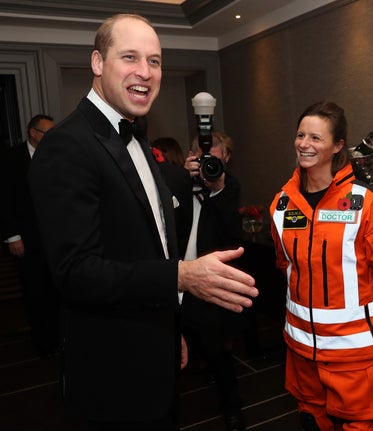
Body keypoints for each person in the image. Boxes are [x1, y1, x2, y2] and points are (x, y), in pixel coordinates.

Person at [27, 14, 257, 430]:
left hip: (157, 352)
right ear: (97, 62)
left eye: (154, 61)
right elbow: (77, 273)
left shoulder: (136, 139)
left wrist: (171, 331)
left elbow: (146, 249)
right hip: (111, 372)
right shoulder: (67, 145)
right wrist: (183, 276)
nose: (145, 72)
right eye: (129, 57)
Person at [270, 101, 373, 431]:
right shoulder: (281, 204)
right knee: (311, 422)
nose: (305, 144)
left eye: (316, 138)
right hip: (301, 349)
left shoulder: (366, 202)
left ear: (337, 146)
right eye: (301, 135)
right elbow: (285, 267)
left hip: (353, 354)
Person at [181, 131, 246, 431]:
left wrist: (216, 188)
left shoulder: (229, 186)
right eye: (200, 155)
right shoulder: (178, 181)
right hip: (175, 275)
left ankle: (233, 410)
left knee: (217, 352)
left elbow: (231, 232)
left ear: (227, 159)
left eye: (214, 157)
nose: (207, 162)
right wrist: (180, 179)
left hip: (207, 278)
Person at [1, 114, 59, 357]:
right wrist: (12, 235)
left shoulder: (56, 155)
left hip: (55, 238)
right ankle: (43, 343)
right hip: (26, 238)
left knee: (56, 290)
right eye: (47, 133)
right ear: (32, 132)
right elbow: (3, 199)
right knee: (35, 290)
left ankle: (60, 339)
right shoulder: (10, 159)